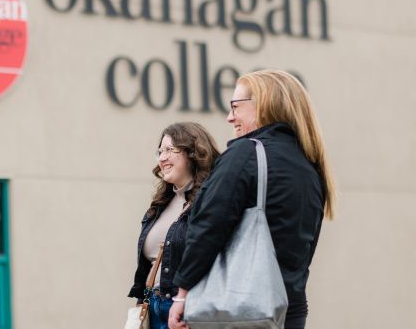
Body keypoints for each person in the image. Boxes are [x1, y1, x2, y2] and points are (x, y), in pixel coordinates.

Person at [169, 70, 336, 329]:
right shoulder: (311, 166)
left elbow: (208, 227)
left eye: (235, 107)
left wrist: (182, 294)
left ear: (263, 104)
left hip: (241, 310)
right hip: (290, 310)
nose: (229, 117)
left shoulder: (246, 152)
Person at [127, 123, 220, 329]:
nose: (162, 158)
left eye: (169, 150)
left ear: (193, 153)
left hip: (187, 311)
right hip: (152, 308)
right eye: (159, 151)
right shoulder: (160, 204)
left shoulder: (211, 201)